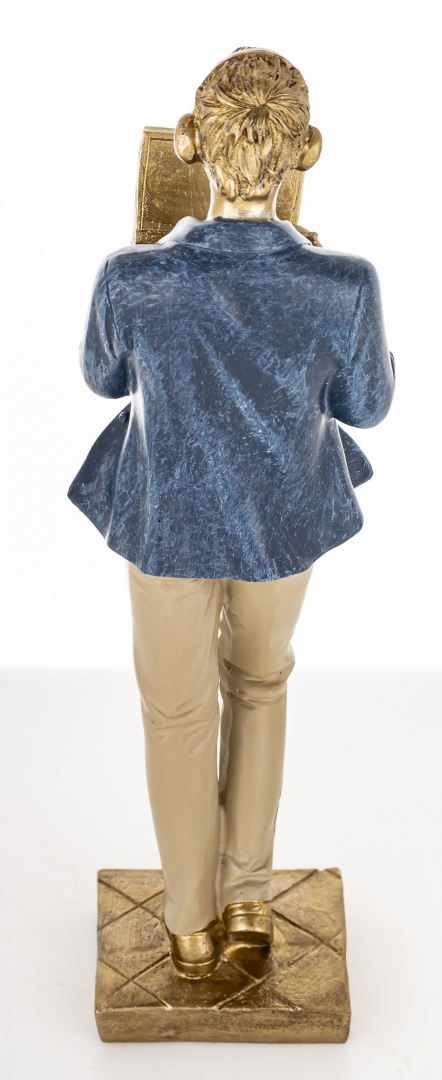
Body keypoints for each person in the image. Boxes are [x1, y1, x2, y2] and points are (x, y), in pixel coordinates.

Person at [68, 47, 395, 979]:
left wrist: (159, 259)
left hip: (165, 519)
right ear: (305, 151)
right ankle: (248, 897)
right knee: (260, 685)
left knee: (176, 713)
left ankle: (190, 924)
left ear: (189, 143)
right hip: (284, 522)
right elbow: (367, 406)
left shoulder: (132, 276)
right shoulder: (346, 283)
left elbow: (102, 379)